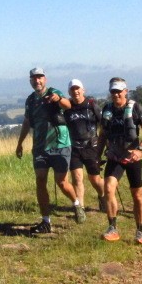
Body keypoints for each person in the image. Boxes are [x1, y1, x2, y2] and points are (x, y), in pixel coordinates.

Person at [15, 68, 85, 234]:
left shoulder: (54, 92)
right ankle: (45, 221)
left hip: (60, 144)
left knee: (61, 182)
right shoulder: (30, 101)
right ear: (30, 81)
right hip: (40, 147)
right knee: (40, 180)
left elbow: (68, 105)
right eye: (34, 78)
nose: (37, 81)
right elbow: (27, 122)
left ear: (45, 79)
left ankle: (76, 204)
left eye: (40, 78)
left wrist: (58, 99)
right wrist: (20, 143)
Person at [96, 77, 142, 245]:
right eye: (113, 91)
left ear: (125, 91)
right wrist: (97, 156)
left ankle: (140, 232)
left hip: (132, 157)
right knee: (108, 188)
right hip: (115, 156)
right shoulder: (107, 109)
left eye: (119, 91)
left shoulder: (135, 107)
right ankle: (112, 228)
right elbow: (103, 135)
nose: (116, 95)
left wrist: (140, 149)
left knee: (137, 195)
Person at [63, 79, 107, 212]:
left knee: (94, 178)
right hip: (74, 147)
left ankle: (103, 195)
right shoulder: (67, 107)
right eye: (72, 89)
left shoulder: (91, 104)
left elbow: (103, 124)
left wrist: (106, 142)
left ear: (83, 90)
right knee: (77, 178)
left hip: (91, 146)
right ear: (69, 92)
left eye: (78, 89)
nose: (75, 91)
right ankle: (80, 208)